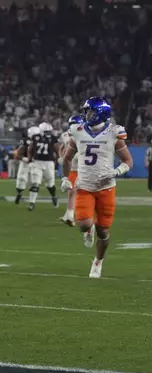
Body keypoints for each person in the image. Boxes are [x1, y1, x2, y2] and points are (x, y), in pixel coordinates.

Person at [61, 97, 133, 278]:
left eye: (90, 111)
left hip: (106, 187)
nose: (87, 114)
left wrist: (116, 171)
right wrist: (65, 177)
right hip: (84, 185)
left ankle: (98, 261)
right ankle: (89, 229)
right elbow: (67, 158)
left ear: (101, 113)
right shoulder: (77, 131)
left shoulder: (113, 133)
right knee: (84, 225)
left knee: (103, 231)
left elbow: (128, 160)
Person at [27, 122, 60, 211]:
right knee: (35, 183)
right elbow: (30, 148)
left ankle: (54, 196)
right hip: (37, 162)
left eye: (49, 131)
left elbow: (57, 150)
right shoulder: (35, 137)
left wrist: (57, 161)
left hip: (49, 163)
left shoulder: (53, 138)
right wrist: (30, 159)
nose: (48, 133)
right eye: (46, 131)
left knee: (50, 184)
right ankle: (32, 202)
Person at [58, 115, 84, 226]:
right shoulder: (85, 133)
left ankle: (71, 214)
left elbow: (62, 148)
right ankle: (70, 214)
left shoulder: (66, 135)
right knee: (76, 191)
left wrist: (61, 157)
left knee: (72, 191)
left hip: (73, 164)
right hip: (80, 165)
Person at [14, 126, 39, 204]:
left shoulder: (42, 141)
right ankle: (19, 193)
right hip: (25, 163)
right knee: (21, 181)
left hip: (36, 164)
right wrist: (25, 159)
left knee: (34, 182)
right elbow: (18, 154)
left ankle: (32, 202)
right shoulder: (26, 141)